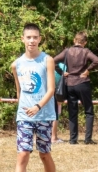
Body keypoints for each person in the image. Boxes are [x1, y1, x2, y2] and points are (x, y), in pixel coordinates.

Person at [12, 23, 57, 172]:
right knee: (23, 154)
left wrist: (37, 107)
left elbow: (51, 90)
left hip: (44, 114)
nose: (32, 40)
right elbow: (19, 92)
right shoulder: (16, 64)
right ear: (22, 39)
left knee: (44, 154)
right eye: (29, 37)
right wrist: (22, 110)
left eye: (35, 37)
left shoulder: (47, 60)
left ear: (40, 39)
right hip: (25, 116)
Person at [54, 31, 98, 145]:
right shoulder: (86, 51)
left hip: (70, 84)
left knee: (72, 112)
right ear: (85, 42)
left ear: (74, 40)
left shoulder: (67, 51)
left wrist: (62, 72)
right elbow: (97, 61)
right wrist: (87, 70)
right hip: (83, 83)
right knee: (89, 111)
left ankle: (73, 139)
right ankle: (88, 139)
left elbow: (52, 60)